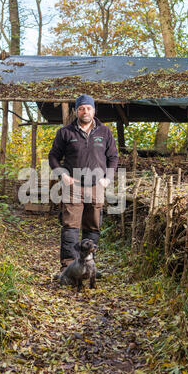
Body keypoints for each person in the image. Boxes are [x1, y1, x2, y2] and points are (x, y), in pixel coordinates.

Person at [48, 94, 118, 276]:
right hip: (74, 185)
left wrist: (108, 178)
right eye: (81, 108)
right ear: (76, 111)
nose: (85, 111)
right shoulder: (65, 132)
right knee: (70, 226)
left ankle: (89, 268)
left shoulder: (105, 132)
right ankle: (68, 268)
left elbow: (113, 157)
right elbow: (53, 156)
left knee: (93, 226)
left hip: (97, 186)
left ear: (94, 110)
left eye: (88, 108)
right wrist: (62, 174)